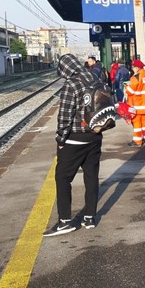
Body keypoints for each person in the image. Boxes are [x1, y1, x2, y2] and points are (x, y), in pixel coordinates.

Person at [44, 54, 103, 236]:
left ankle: (64, 222)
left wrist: (60, 140)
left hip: (74, 139)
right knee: (91, 176)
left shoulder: (71, 85)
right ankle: (90, 217)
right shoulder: (94, 77)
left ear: (65, 69)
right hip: (95, 136)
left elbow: (64, 116)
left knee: (62, 178)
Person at [125, 59, 145, 147]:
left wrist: (126, 86)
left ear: (137, 68)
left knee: (136, 122)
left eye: (133, 67)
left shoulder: (136, 77)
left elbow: (130, 91)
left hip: (137, 104)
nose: (133, 69)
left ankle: (137, 141)